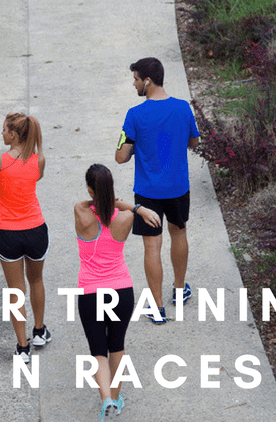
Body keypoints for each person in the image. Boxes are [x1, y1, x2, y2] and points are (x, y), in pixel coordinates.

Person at [74, 164, 161, 422]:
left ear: (90, 189)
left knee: (98, 352)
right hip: (122, 290)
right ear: (112, 190)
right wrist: (139, 208)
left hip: (91, 292)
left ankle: (105, 401)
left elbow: (93, 202)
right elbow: (117, 207)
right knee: (117, 347)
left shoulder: (80, 212)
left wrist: (101, 196)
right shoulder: (125, 218)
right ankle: (116, 398)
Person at [115, 57, 201, 324]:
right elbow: (194, 142)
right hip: (178, 188)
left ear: (147, 81)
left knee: (152, 246)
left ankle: (157, 307)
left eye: (136, 79)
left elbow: (121, 157)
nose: (134, 84)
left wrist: (131, 143)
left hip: (148, 192)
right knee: (179, 234)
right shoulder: (183, 108)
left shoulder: (135, 115)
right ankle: (178, 289)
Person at [0, 112, 51, 363]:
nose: (2, 134)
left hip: (8, 233)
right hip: (36, 229)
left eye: (5, 130)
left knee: (15, 291)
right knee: (36, 280)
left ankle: (22, 347)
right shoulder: (39, 160)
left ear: (14, 135)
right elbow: (34, 179)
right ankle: (39, 331)